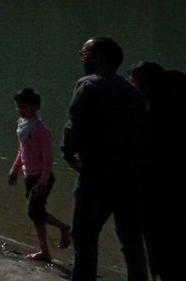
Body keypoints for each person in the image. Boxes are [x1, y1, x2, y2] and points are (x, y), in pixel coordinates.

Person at [62, 36, 150, 281]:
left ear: (97, 57)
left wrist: (68, 154)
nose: (83, 58)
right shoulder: (132, 91)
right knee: (131, 240)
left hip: (96, 176)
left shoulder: (88, 85)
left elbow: (74, 126)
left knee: (83, 237)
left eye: (85, 54)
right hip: (130, 178)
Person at [129, 62, 186, 281]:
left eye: (134, 83)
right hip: (175, 193)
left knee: (160, 248)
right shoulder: (176, 107)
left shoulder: (152, 117)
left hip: (157, 194)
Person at [8, 87, 71, 262]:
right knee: (36, 213)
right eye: (18, 106)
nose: (21, 110)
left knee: (34, 212)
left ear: (35, 107)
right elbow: (22, 151)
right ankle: (47, 249)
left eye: (24, 106)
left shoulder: (40, 129)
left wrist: (43, 181)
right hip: (29, 176)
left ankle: (61, 231)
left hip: (41, 177)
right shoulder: (23, 126)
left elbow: (48, 158)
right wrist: (15, 170)